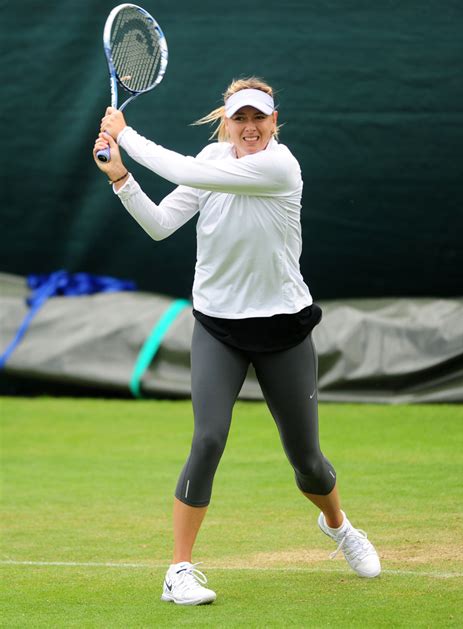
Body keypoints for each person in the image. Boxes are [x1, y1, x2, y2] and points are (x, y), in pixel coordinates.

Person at [93, 76, 381, 606]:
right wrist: (121, 179)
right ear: (227, 121)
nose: (250, 128)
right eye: (240, 118)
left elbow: (185, 169)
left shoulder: (280, 166)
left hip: (283, 327)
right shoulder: (211, 161)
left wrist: (126, 135)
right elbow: (160, 225)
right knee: (208, 439)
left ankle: (339, 526)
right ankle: (178, 570)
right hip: (218, 326)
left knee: (308, 461)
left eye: (259, 118)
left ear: (275, 123)